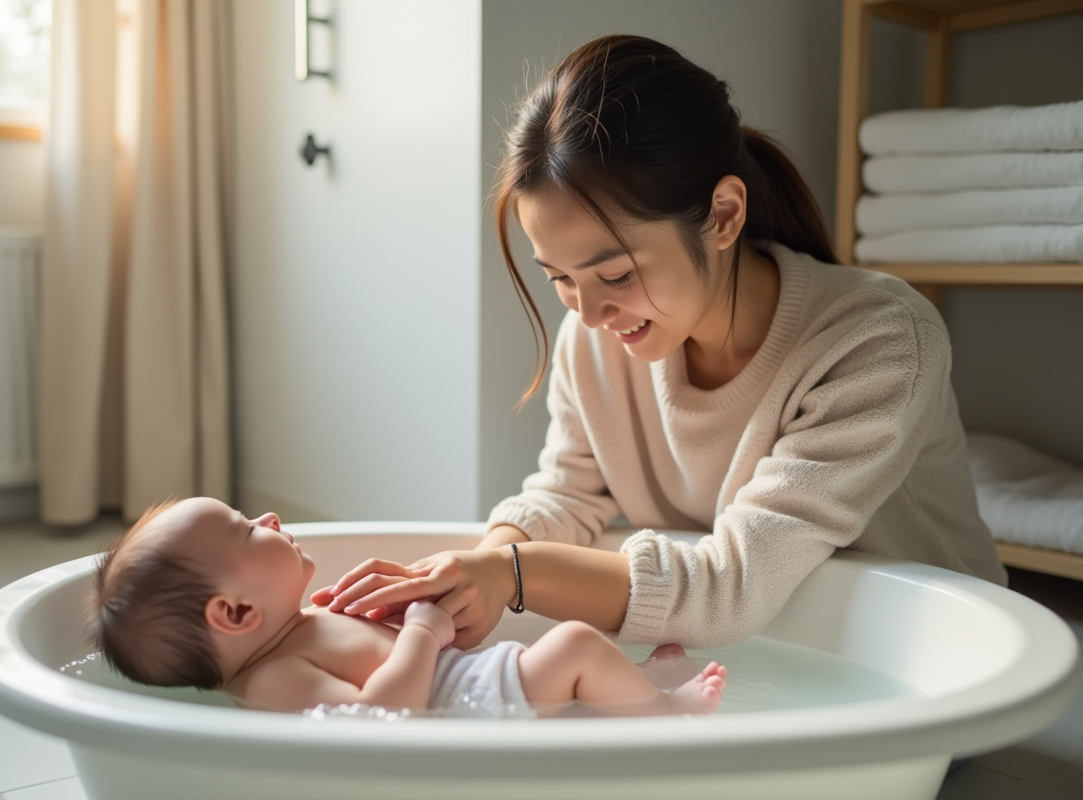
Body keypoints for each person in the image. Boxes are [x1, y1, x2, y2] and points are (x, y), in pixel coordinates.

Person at [310, 34, 1008, 652]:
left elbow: (733, 583)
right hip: (736, 644)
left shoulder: (876, 340)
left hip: (909, 657)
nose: (587, 313)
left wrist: (513, 575)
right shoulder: (596, 341)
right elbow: (566, 495)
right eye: (559, 278)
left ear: (724, 215)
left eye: (613, 272)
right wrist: (472, 574)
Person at [86, 496, 727, 716]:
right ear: (234, 614)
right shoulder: (272, 679)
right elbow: (380, 717)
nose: (268, 515)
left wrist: (399, 623)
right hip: (474, 713)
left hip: (475, 687)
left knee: (565, 659)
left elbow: (379, 672)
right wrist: (421, 632)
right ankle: (668, 715)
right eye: (247, 529)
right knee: (574, 645)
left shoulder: (296, 630)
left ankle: (636, 691)